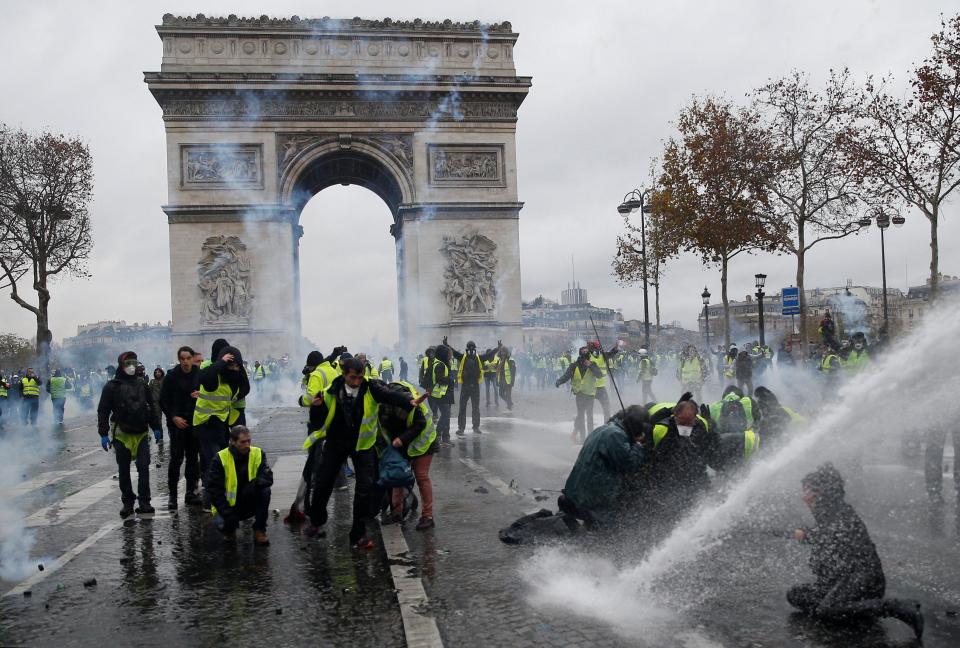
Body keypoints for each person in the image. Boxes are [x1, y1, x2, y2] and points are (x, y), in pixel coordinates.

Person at [788, 463, 923, 639]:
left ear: (820, 493)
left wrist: (808, 535)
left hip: (864, 579)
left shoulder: (840, 513)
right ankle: (854, 610)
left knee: (826, 610)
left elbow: (831, 535)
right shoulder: (828, 512)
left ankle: (893, 607)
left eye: (806, 492)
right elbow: (826, 542)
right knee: (796, 595)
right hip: (845, 580)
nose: (803, 498)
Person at [303, 358, 413, 549]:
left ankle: (358, 534)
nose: (356, 382)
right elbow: (317, 420)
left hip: (362, 445)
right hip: (336, 443)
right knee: (323, 482)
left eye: (360, 378)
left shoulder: (370, 387)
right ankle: (316, 521)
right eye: (353, 378)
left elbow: (390, 396)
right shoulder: (330, 390)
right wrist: (317, 407)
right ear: (344, 375)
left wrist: (409, 401)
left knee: (364, 489)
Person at [557, 405, 648, 528]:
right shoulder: (616, 436)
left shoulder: (604, 429)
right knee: (622, 522)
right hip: (589, 499)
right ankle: (594, 521)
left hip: (575, 492)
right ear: (637, 424)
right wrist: (638, 445)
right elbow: (629, 465)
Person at [97, 351, 162, 517]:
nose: (132, 366)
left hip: (141, 432)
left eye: (135, 362)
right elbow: (103, 411)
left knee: (143, 467)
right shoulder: (111, 386)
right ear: (121, 366)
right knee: (124, 469)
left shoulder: (142, 384)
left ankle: (145, 502)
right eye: (128, 363)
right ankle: (127, 502)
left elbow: (151, 405)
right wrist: (103, 433)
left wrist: (156, 427)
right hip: (121, 433)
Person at [194, 345, 249, 507]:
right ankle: (209, 502)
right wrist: (221, 362)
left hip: (220, 426)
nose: (233, 368)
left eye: (236, 365)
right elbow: (203, 377)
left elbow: (245, 385)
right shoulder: (213, 377)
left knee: (225, 462)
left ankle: (223, 499)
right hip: (205, 424)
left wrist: (238, 366)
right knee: (215, 463)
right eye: (229, 365)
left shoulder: (232, 379)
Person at [378, 381, 437, 530]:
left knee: (421, 477)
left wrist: (402, 439)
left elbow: (420, 423)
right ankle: (397, 513)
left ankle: (427, 516)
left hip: (422, 442)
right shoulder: (380, 404)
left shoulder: (402, 398)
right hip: (402, 443)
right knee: (397, 476)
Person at [644, 399, 716, 519]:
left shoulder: (701, 424)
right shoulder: (662, 428)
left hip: (687, 478)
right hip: (678, 479)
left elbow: (707, 447)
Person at [207, 425, 273, 545]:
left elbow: (267, 477)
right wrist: (227, 514)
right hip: (228, 505)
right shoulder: (220, 458)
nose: (247, 445)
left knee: (265, 491)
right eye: (243, 442)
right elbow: (214, 491)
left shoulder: (257, 453)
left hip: (249, 500)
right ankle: (229, 530)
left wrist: (252, 486)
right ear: (232, 441)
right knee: (222, 524)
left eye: (249, 441)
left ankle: (259, 530)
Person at [160, 346, 202, 509]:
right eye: (182, 359)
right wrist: (173, 416)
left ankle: (190, 492)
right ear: (179, 360)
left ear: (192, 358)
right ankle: (172, 495)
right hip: (177, 424)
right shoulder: (171, 377)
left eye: (188, 358)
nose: (185, 361)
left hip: (194, 421)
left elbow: (208, 395)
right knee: (176, 459)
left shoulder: (199, 375)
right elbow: (163, 400)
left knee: (192, 459)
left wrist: (201, 395)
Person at [446, 337, 500, 436]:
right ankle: (461, 428)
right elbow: (454, 352)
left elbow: (489, 355)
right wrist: (447, 345)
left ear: (475, 349)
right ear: (467, 349)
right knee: (462, 408)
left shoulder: (479, 358)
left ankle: (476, 427)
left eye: (472, 348)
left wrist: (497, 348)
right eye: (469, 348)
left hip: (475, 386)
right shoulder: (462, 358)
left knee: (476, 408)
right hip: (465, 386)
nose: (471, 350)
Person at [555, 346, 603, 443]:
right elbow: (567, 375)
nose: (585, 353)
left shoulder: (593, 364)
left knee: (590, 416)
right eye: (583, 352)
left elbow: (599, 375)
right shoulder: (574, 365)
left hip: (590, 394)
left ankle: (590, 437)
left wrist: (591, 365)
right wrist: (559, 381)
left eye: (587, 352)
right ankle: (582, 437)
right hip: (580, 394)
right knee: (581, 415)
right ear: (580, 353)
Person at [428, 345, 454, 442]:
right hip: (442, 394)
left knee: (446, 416)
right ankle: (438, 434)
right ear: (444, 354)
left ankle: (445, 436)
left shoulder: (444, 363)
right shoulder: (440, 365)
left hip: (446, 393)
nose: (450, 355)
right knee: (446, 415)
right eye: (448, 353)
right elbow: (440, 379)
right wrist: (451, 379)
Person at [497, 346, 517, 412]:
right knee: (501, 394)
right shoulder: (500, 360)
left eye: (503, 353)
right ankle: (509, 403)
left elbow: (513, 372)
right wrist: (499, 348)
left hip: (508, 381)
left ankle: (509, 408)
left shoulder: (511, 360)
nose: (502, 354)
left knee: (508, 394)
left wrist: (512, 381)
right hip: (501, 380)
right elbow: (498, 370)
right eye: (501, 353)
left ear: (506, 353)